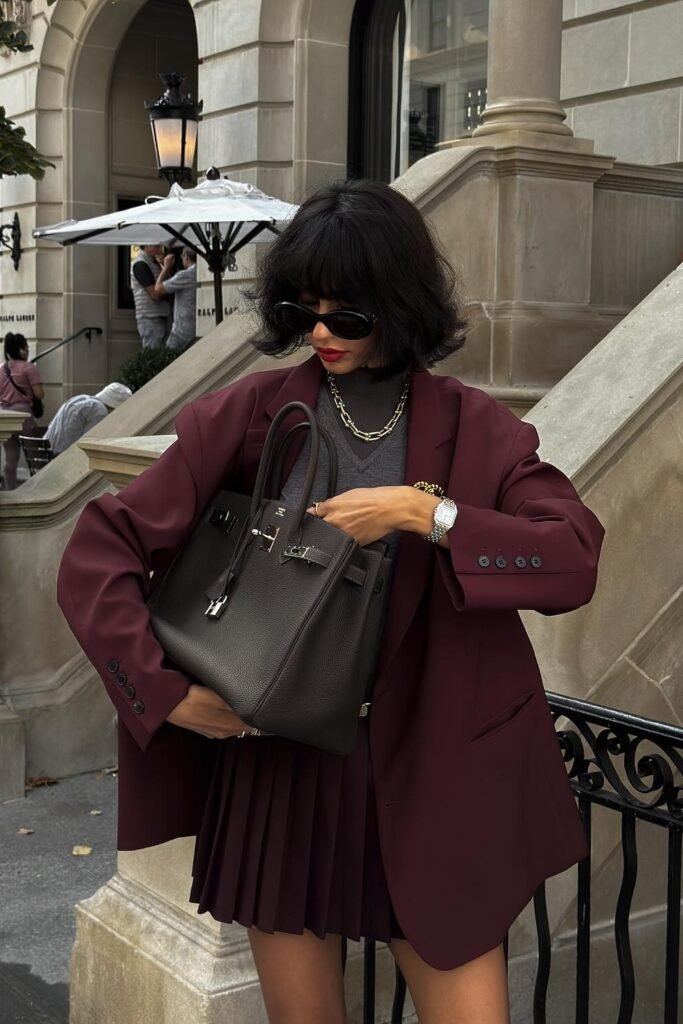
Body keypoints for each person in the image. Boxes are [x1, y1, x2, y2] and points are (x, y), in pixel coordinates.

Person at [56, 180, 604, 1024]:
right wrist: (163, 693)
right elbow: (99, 550)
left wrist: (428, 515)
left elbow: (571, 557)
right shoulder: (250, 415)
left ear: (398, 304)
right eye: (299, 309)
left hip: (433, 774)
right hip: (281, 773)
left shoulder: (477, 427)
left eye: (345, 315)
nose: (319, 333)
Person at [0, 332, 44, 490]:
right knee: (35, 454)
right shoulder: (28, 368)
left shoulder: (1, 368)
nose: (28, 351)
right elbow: (39, 394)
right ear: (20, 349)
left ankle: (10, 490)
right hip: (23, 415)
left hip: (6, 416)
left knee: (10, 457)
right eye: (26, 347)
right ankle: (38, 489)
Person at [45, 382, 132, 456]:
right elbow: (90, 445)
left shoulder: (80, 399)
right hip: (62, 459)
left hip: (47, 455)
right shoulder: (99, 410)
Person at [153, 247, 198, 351]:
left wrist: (165, 268)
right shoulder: (200, 273)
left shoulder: (185, 275)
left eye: (182, 256)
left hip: (181, 331)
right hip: (196, 328)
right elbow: (174, 283)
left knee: (167, 358)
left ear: (186, 256)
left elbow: (158, 289)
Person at [130, 244, 171, 349]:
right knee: (153, 351)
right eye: (156, 246)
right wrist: (166, 268)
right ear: (146, 245)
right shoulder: (141, 264)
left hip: (158, 315)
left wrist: (164, 266)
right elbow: (155, 294)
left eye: (160, 246)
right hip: (150, 317)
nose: (159, 249)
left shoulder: (153, 263)